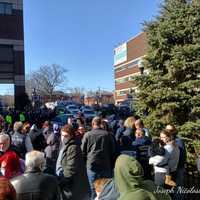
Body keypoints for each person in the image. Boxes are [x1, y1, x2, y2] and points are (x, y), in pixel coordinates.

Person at [81, 116, 116, 199]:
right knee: (107, 189)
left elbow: (82, 151)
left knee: (93, 189)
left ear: (93, 124)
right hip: (105, 165)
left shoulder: (87, 135)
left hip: (92, 165)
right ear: (100, 124)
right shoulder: (107, 134)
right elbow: (113, 150)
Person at [56, 124, 90, 200]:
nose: (63, 138)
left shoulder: (73, 147)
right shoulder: (65, 145)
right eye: (62, 135)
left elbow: (70, 169)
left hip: (73, 187)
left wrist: (60, 182)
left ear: (71, 136)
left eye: (66, 136)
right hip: (68, 185)